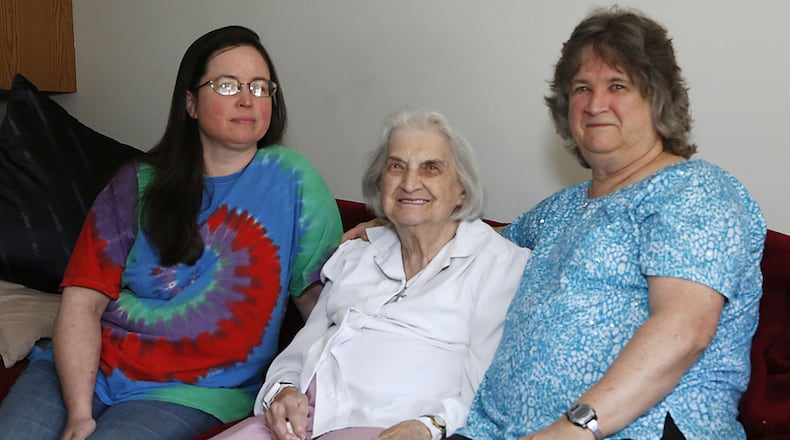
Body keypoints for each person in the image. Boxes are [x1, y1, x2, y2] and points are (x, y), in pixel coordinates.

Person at [345, 7, 765, 440]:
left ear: (657, 99)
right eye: (581, 88)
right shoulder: (561, 209)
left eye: (617, 85)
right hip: (496, 430)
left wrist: (575, 428)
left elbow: (684, 329)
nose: (596, 103)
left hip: (637, 430)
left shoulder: (694, 191)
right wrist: (395, 220)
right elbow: (470, 244)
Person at [0, 25, 342, 440]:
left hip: (194, 392)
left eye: (260, 86)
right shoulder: (136, 184)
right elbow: (83, 301)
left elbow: (321, 305)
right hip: (84, 365)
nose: (247, 98)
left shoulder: (294, 180)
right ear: (191, 103)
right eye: (227, 84)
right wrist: (78, 412)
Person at [209, 109, 530, 440]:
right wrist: (282, 392)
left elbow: (490, 389)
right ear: (380, 182)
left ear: (461, 190)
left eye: (431, 168)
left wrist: (430, 427)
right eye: (396, 166)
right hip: (296, 426)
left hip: (388, 430)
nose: (409, 182)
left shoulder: (498, 266)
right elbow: (297, 354)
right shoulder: (357, 254)